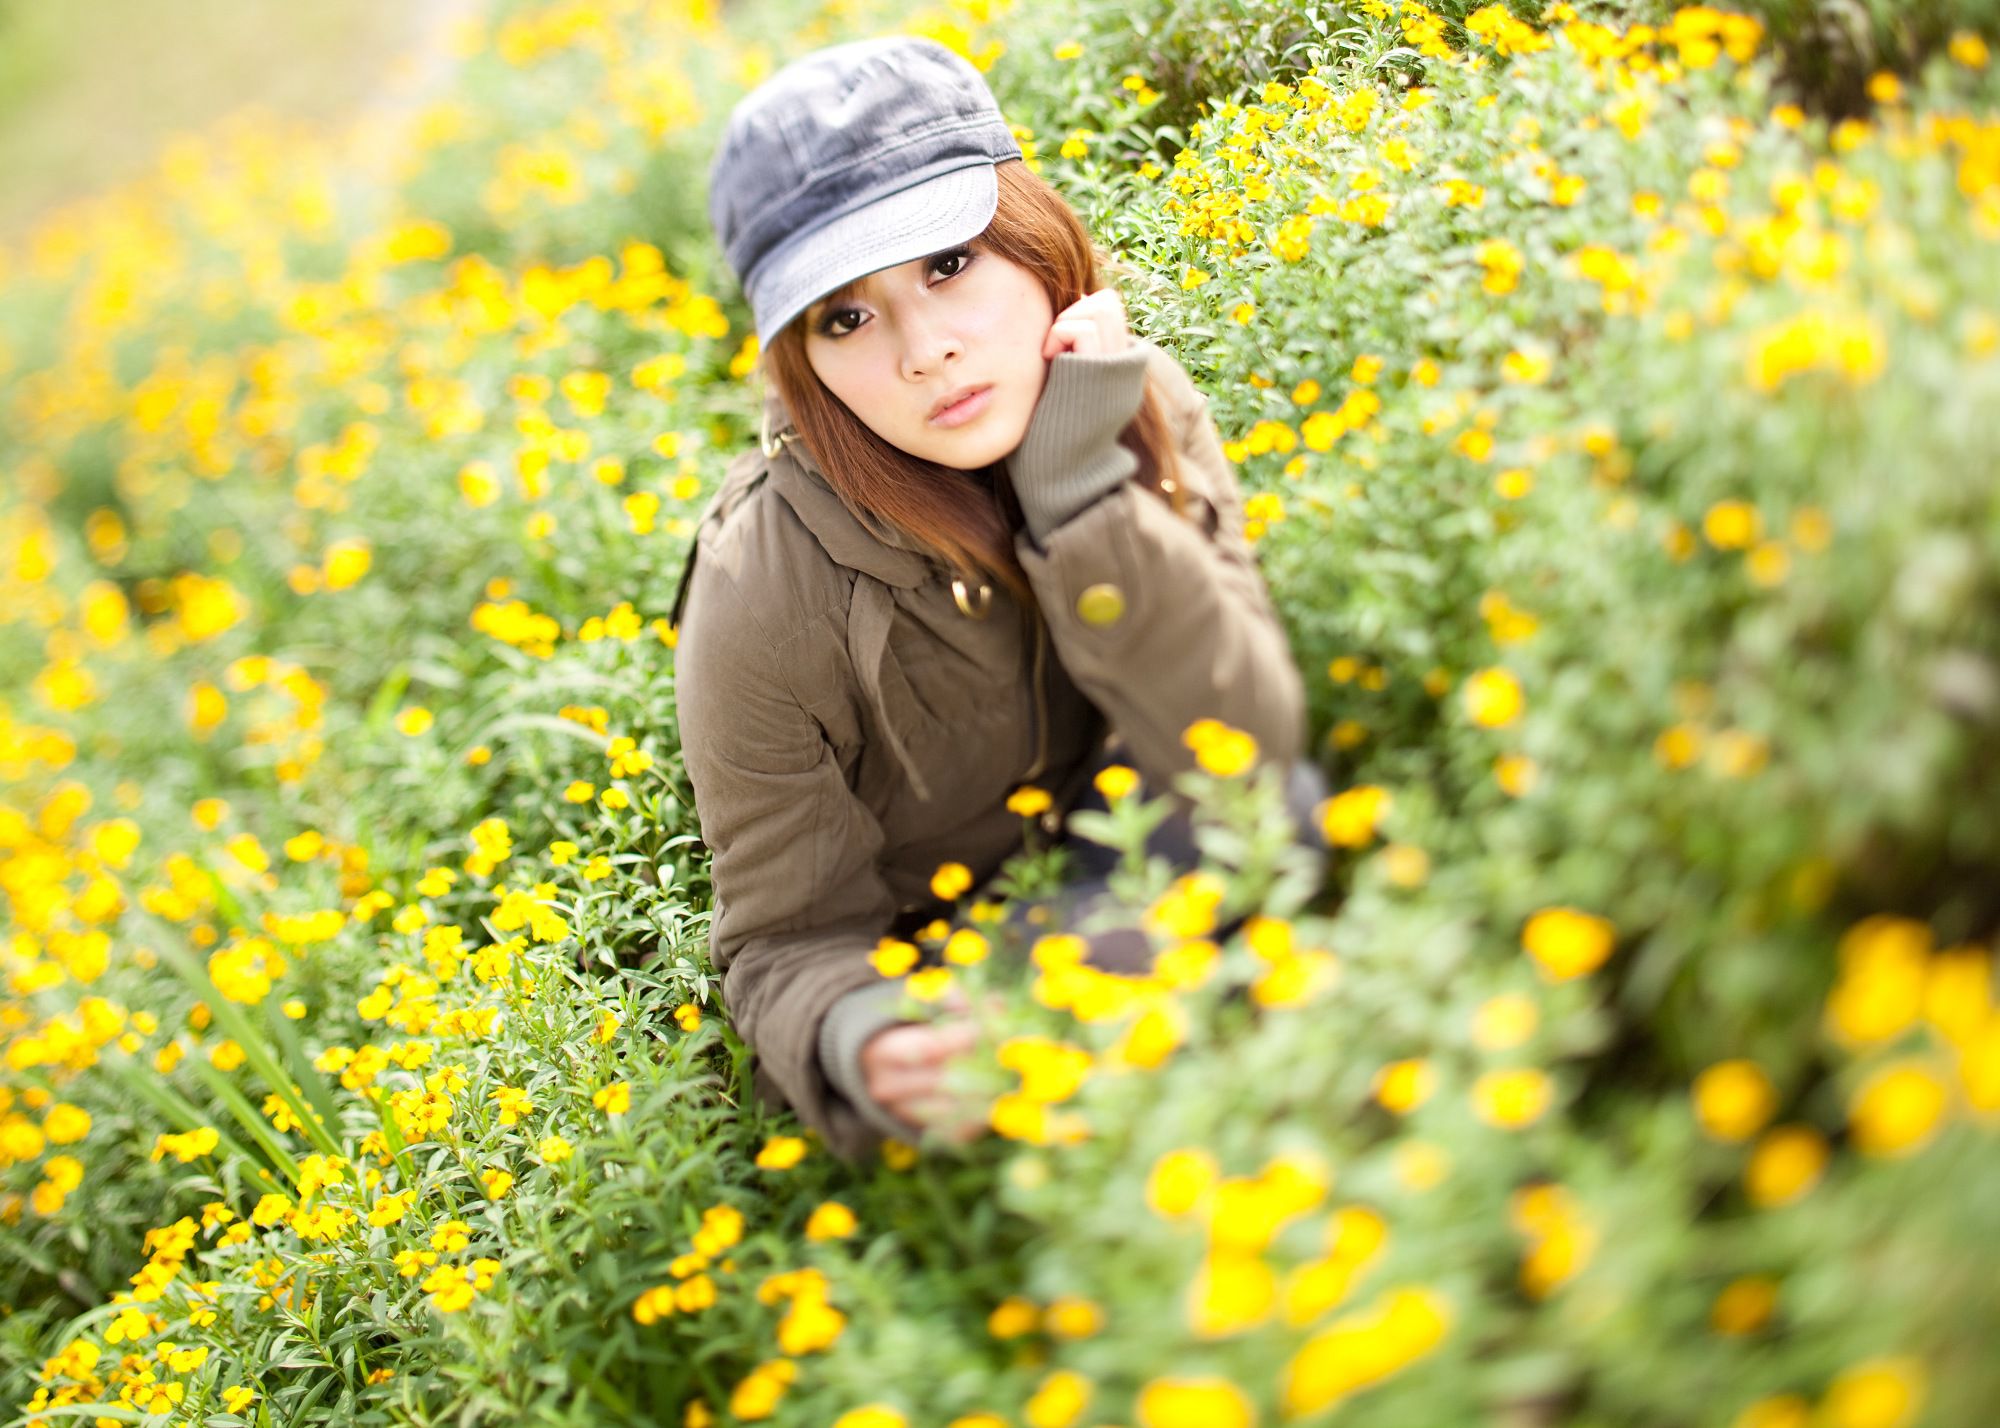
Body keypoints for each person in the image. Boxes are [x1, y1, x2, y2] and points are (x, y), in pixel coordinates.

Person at [671, 35, 1328, 1162]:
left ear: (1032, 243)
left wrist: (1083, 493)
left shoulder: (1137, 401)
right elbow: (787, 940)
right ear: (800, 361)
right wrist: (864, 1038)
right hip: (965, 953)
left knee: (1283, 817)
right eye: (845, 317)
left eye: (946, 264)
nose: (927, 349)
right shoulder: (760, 592)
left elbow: (1245, 748)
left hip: (1132, 826)